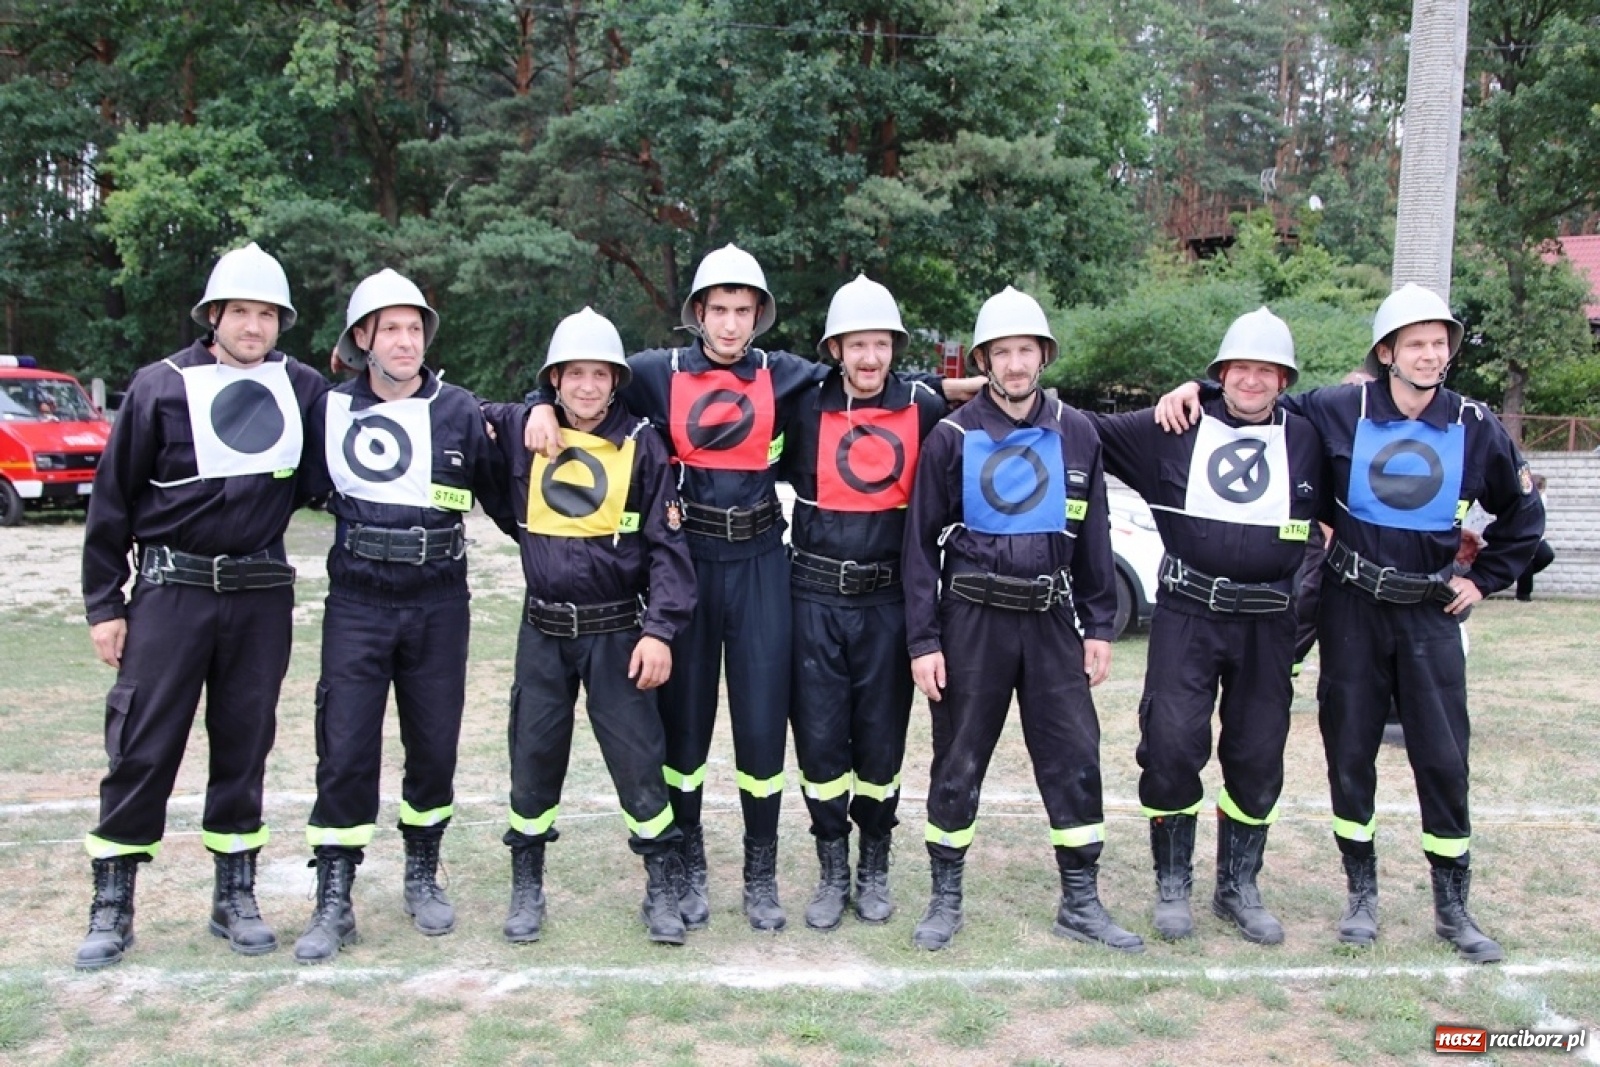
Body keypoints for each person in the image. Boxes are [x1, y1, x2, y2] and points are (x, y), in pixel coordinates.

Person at [523, 244, 976, 931]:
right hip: (689, 566)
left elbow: (873, 374)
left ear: (759, 316)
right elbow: (590, 386)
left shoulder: (785, 374)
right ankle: (687, 865)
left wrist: (991, 386)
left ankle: (760, 874)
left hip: (765, 558)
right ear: (698, 314)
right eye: (719, 311)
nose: (731, 325)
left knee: (764, 728)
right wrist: (536, 401)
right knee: (685, 729)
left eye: (743, 311)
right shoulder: (658, 372)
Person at [1156, 283, 1545, 962]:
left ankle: (1453, 907)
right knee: (1349, 754)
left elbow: (1522, 514)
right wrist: (1193, 385)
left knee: (1445, 760)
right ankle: (1361, 895)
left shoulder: (1474, 425)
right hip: (1351, 607)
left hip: (1429, 612)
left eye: (1439, 343)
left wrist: (1481, 579)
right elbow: (1255, 394)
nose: (1429, 355)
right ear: (1387, 352)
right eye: (1415, 343)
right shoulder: (1339, 408)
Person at [76, 243, 328, 968]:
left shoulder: (302, 386)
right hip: (170, 593)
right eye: (241, 312)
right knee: (143, 744)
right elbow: (111, 500)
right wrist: (105, 604)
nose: (253, 326)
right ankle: (114, 902)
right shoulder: (159, 386)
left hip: (259, 596)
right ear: (213, 315)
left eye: (267, 314)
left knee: (244, 743)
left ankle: (234, 893)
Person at [902, 286, 1141, 954]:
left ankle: (1082, 901)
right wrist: (924, 639)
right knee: (957, 759)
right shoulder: (951, 437)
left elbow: (1093, 533)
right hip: (970, 620)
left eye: (1025, 351)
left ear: (1043, 356)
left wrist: (1098, 623)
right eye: (1001, 352)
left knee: (1074, 757)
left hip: (1049, 620)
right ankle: (944, 899)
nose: (1014, 363)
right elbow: (918, 544)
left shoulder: (1078, 431)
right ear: (984, 359)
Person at [291, 269, 512, 963]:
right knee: (347, 745)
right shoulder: (327, 412)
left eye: (415, 327)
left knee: (434, 745)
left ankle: (422, 870)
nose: (405, 340)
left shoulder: (457, 409)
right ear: (363, 338)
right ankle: (335, 893)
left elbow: (509, 500)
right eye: (390, 327)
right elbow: (286, 488)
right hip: (357, 599)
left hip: (440, 598)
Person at [1088, 308, 1321, 944]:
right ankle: (1172, 883)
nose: (1251, 380)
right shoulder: (1174, 426)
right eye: (1238, 369)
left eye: (1265, 370)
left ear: (1283, 378)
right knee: (1169, 744)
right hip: (1188, 615)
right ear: (1220, 373)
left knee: (1257, 754)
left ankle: (1238, 887)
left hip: (1269, 623)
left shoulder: (1310, 435)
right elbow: (1079, 431)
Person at [482, 308, 697, 945]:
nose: (586, 387)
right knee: (533, 757)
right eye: (573, 375)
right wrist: (529, 412)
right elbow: (474, 412)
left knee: (639, 762)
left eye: (599, 375)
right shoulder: (529, 429)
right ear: (555, 380)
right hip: (543, 630)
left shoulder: (642, 444)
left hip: (617, 632)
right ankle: (527, 886)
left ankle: (661, 885)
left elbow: (668, 548)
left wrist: (660, 630)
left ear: (615, 380)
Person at [781, 276, 947, 930]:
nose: (869, 357)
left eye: (880, 344)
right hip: (812, 595)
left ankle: (874, 860)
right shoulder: (803, 404)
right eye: (857, 344)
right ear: (835, 348)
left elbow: (994, 404)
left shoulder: (925, 406)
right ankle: (831, 867)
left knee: (880, 744)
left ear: (894, 348)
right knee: (820, 742)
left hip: (887, 602)